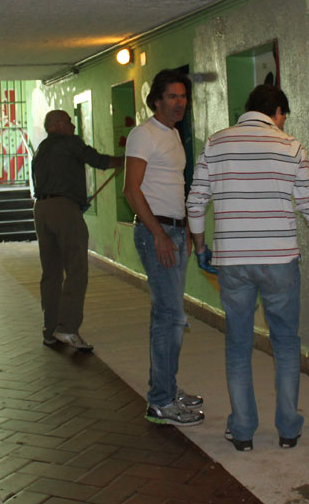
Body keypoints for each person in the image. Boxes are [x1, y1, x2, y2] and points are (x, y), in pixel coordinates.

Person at [186, 84, 309, 451]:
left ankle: (242, 430)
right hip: (279, 261)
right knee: (285, 342)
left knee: (238, 343)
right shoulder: (291, 147)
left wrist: (200, 247)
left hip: (232, 262)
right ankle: (288, 428)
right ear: (277, 112)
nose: (282, 123)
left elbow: (195, 202)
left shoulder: (215, 143)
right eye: (283, 116)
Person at [123, 68, 204, 427]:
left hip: (174, 231)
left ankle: (167, 388)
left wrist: (184, 229)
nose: (179, 103)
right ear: (156, 100)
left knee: (170, 315)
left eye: (183, 96)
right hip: (156, 231)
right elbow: (131, 190)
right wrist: (158, 234)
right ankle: (160, 401)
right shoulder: (143, 135)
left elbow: (174, 186)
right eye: (172, 96)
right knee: (169, 317)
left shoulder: (172, 134)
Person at [32, 109, 122, 351]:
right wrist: (127, 160)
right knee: (76, 268)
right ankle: (67, 328)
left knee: (51, 272)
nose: (73, 126)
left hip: (41, 209)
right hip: (65, 210)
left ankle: (50, 330)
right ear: (57, 124)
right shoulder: (70, 142)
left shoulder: (41, 149)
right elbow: (99, 161)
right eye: (69, 122)